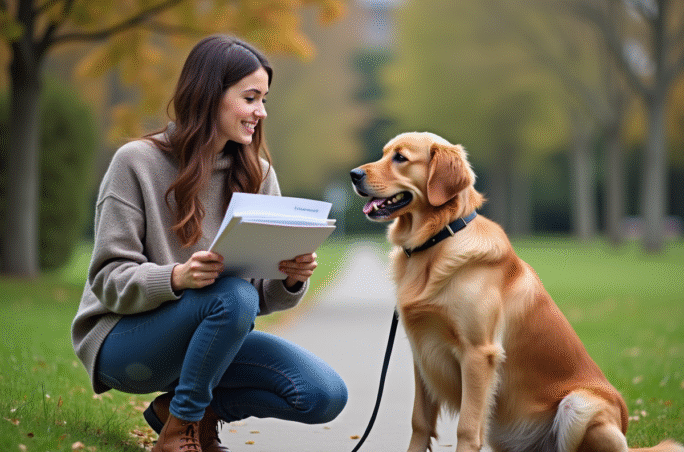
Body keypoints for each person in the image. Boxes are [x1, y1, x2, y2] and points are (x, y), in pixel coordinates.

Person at [71, 35, 348, 452]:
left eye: (264, 99)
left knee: (323, 394)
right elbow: (109, 279)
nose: (261, 112)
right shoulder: (136, 163)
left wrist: (289, 279)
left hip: (213, 338)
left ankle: (182, 411)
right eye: (251, 98)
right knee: (232, 297)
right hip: (126, 344)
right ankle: (181, 430)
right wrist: (177, 277)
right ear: (208, 96)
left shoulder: (258, 174)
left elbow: (261, 299)